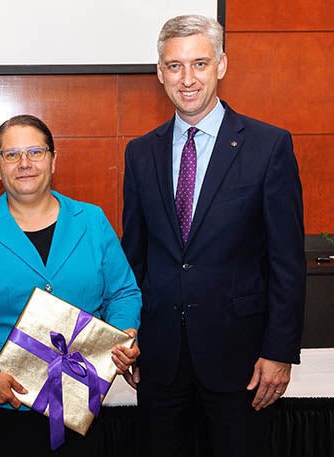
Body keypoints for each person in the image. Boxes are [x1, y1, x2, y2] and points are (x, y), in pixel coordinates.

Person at [121, 14, 306, 457]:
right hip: (159, 359)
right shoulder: (140, 151)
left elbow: (287, 261)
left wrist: (279, 352)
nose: (187, 79)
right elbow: (134, 257)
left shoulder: (269, 145)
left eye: (199, 64)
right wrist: (125, 337)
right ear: (159, 72)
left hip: (241, 362)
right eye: (175, 66)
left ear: (221, 65)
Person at [0, 114, 142, 456]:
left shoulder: (92, 221)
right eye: (11, 155)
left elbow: (123, 293)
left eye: (35, 152)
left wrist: (119, 339)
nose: (24, 163)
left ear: (53, 160)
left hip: (79, 398)